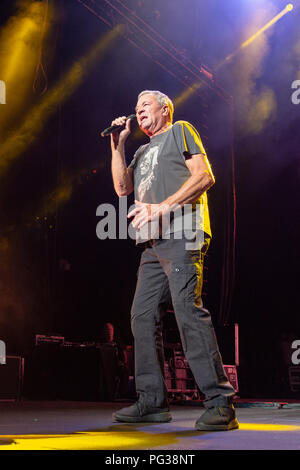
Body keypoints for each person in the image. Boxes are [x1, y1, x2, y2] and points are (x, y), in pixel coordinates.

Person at [109, 90, 239, 431]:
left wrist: (162, 207)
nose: (138, 112)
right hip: (153, 246)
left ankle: (220, 402)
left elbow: (204, 176)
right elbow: (122, 188)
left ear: (165, 110)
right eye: (135, 108)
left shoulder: (180, 129)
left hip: (184, 236)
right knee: (141, 315)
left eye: (146, 106)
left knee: (186, 310)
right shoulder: (140, 150)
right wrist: (117, 143)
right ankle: (152, 402)